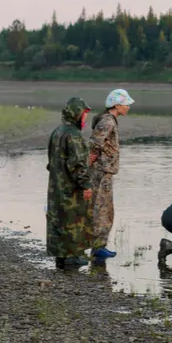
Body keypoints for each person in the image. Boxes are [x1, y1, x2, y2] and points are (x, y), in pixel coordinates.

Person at [45, 97, 94, 269]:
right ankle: (71, 258)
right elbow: (77, 165)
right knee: (74, 220)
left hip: (55, 187)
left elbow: (50, 161)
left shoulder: (57, 131)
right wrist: (85, 185)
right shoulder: (73, 135)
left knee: (58, 220)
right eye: (84, 114)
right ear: (76, 114)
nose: (86, 118)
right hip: (70, 188)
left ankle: (61, 257)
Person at [88, 88, 134, 258]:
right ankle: (98, 247)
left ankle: (98, 246)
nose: (128, 107)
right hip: (101, 172)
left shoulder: (110, 120)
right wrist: (87, 169)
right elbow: (94, 145)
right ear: (116, 105)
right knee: (103, 210)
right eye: (126, 104)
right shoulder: (107, 122)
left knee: (103, 209)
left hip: (103, 171)